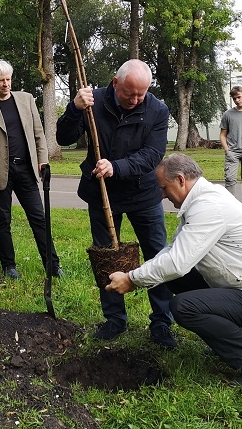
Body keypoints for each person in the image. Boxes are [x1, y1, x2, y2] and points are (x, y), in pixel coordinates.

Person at [107, 153, 242, 389]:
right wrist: (137, 272)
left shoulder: (208, 206)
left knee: (183, 307)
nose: (163, 195)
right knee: (175, 280)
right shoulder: (202, 200)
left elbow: (177, 262)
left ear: (180, 179)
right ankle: (231, 341)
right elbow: (173, 249)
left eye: (164, 188)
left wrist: (132, 280)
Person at [56, 59, 176, 348]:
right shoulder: (92, 101)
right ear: (115, 82)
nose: (135, 100)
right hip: (101, 192)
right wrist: (74, 108)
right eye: (129, 93)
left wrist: (117, 166)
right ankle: (115, 320)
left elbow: (152, 155)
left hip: (142, 194)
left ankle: (161, 322)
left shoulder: (157, 110)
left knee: (157, 255)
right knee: (106, 255)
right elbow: (63, 137)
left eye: (141, 94)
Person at [0, 59, 62, 278]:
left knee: (39, 218)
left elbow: (38, 133)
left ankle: (52, 265)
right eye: (0, 81)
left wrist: (43, 160)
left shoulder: (26, 100)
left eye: (8, 79)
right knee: (3, 219)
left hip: (26, 170)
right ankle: (9, 266)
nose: (5, 84)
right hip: (0, 172)